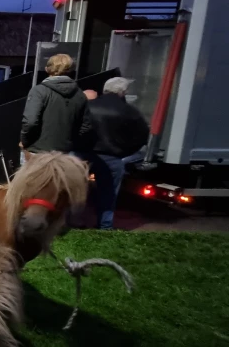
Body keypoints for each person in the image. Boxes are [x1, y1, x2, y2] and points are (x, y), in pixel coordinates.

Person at [86, 77, 149, 230]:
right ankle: (105, 226)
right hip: (112, 158)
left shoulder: (88, 106)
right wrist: (123, 152)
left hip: (84, 155)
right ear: (123, 92)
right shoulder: (130, 111)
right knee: (108, 194)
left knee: (74, 191)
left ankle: (70, 222)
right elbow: (141, 136)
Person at [19, 53, 92, 163]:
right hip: (65, 154)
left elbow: (30, 121)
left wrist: (25, 141)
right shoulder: (80, 94)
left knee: (31, 180)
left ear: (47, 69)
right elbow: (86, 126)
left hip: (37, 151)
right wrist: (69, 143)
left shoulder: (39, 91)